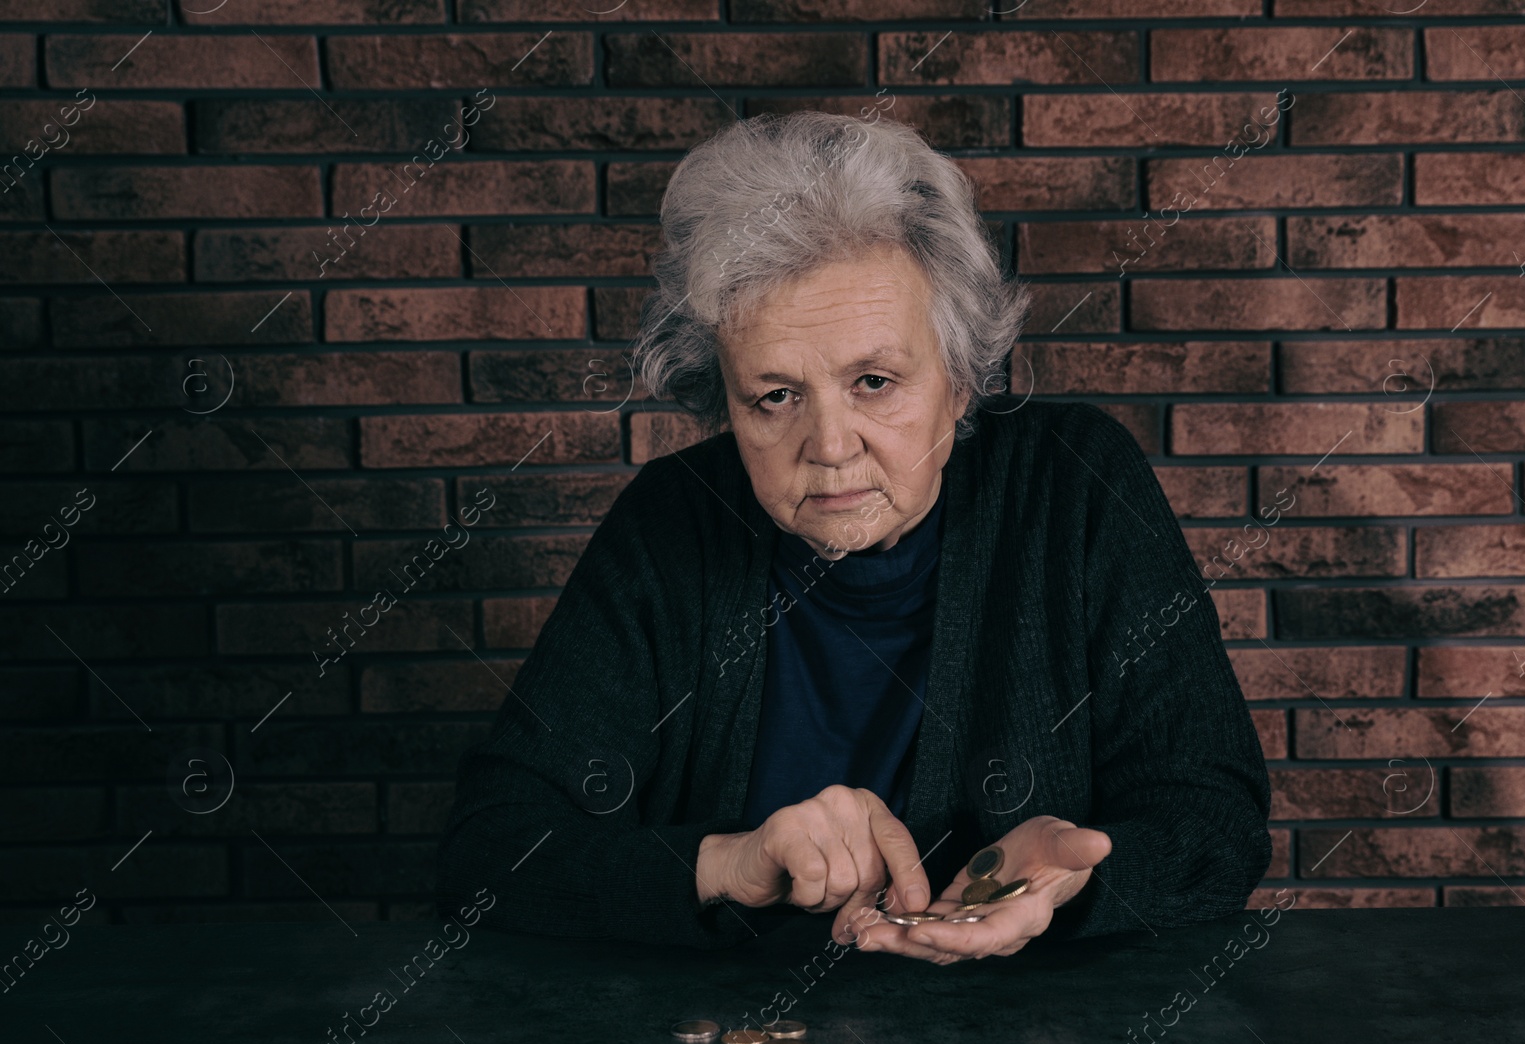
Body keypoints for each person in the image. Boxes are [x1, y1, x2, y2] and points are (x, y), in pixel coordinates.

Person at [436, 111, 1271, 965]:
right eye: (775, 396)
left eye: (874, 382)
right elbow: (490, 852)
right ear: (723, 401)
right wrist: (727, 862)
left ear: (959, 384)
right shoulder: (670, 522)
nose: (830, 448)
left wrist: (1074, 886)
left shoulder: (1077, 484)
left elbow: (1213, 819)